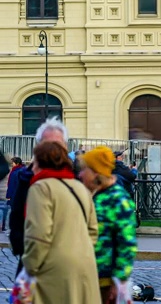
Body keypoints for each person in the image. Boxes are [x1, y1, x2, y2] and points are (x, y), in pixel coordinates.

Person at [22, 141, 101, 303]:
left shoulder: (41, 188)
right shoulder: (80, 188)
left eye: (34, 162)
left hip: (54, 268)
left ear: (41, 162)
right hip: (85, 264)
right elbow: (93, 230)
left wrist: (29, 267)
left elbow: (38, 235)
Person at [79, 146, 138, 304]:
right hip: (89, 275)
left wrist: (119, 279)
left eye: (85, 170)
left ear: (96, 173)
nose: (80, 174)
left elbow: (127, 242)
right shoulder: (95, 195)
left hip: (105, 280)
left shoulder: (117, 199)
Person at [10, 117, 68, 278]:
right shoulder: (26, 177)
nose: (52, 149)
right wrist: (23, 250)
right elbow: (16, 216)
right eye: (47, 144)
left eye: (57, 144)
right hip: (31, 261)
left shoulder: (74, 178)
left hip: (65, 262)